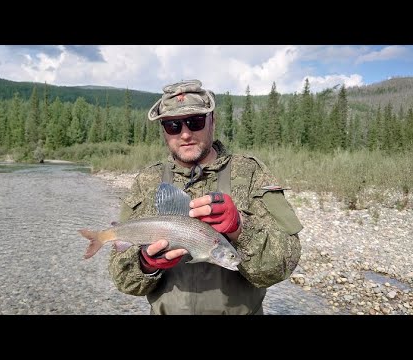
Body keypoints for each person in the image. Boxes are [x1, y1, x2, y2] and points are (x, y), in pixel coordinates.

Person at [108, 79, 303, 315]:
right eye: (173, 126)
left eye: (195, 121)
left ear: (213, 121)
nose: (186, 133)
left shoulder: (251, 173)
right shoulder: (148, 181)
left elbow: (283, 264)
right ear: (163, 131)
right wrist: (145, 265)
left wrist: (241, 230)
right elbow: (122, 278)